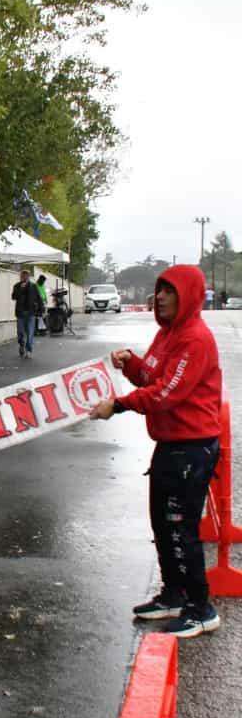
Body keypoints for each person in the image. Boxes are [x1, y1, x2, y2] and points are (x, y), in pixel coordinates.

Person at [91, 264, 226, 638]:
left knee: (181, 529)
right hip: (170, 446)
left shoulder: (195, 338)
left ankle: (201, 608)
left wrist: (117, 404)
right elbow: (153, 377)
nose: (161, 297)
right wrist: (131, 363)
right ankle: (173, 594)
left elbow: (167, 394)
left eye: (170, 291)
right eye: (160, 290)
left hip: (191, 449)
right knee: (163, 525)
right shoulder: (167, 335)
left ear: (188, 297)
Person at [11, 268, 42, 358]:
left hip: (30, 313)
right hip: (20, 313)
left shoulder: (33, 286)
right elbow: (13, 297)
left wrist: (41, 310)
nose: (24, 277)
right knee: (20, 332)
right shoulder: (16, 286)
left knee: (30, 333)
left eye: (26, 276)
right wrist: (20, 289)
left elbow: (39, 298)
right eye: (22, 276)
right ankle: (21, 345)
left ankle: (29, 350)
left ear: (29, 277)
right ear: (20, 277)